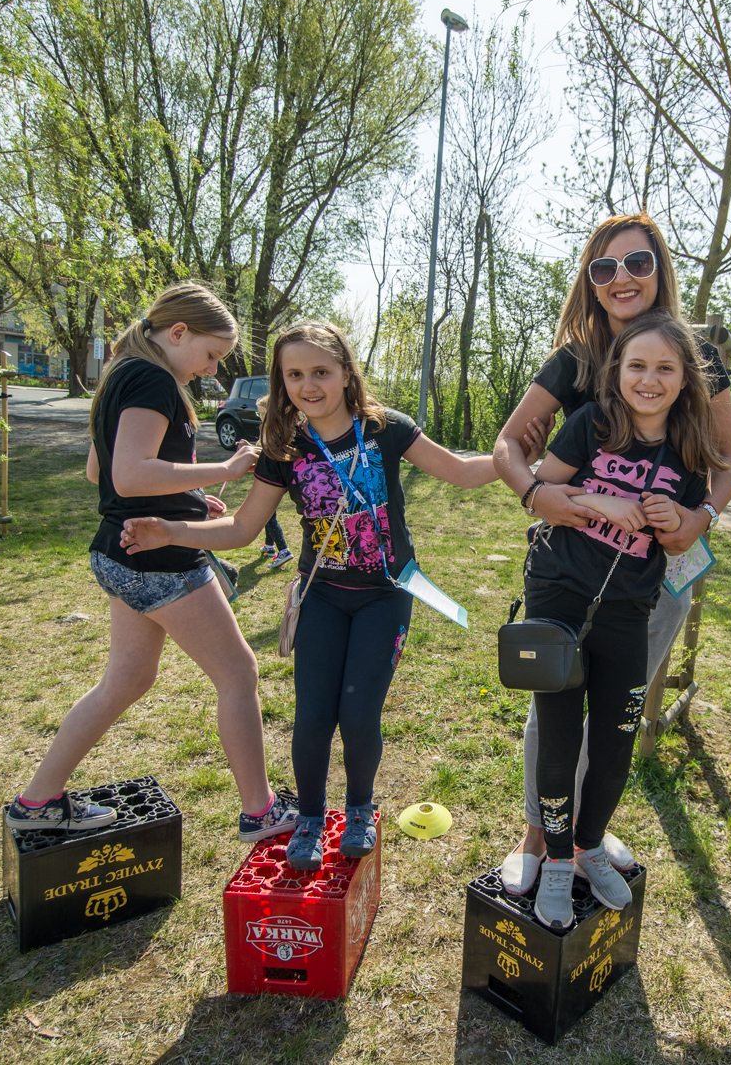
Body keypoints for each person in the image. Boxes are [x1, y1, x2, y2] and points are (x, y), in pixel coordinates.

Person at [119, 320, 502, 872]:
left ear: (347, 372)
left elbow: (462, 472)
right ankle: (312, 818)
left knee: (359, 712)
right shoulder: (284, 446)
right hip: (322, 596)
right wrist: (172, 531)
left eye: (321, 371)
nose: (308, 385)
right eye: (294, 374)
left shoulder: (386, 428)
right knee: (313, 715)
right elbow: (243, 528)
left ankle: (361, 808)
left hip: (385, 596)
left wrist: (526, 469)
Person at [492, 212, 731, 895]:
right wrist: (533, 497)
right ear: (590, 282)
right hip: (570, 570)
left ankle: (587, 835)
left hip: (654, 577)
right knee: (557, 705)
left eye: (637, 263)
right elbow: (510, 447)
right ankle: (537, 836)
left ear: (661, 268)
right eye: (604, 267)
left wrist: (702, 518)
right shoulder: (576, 360)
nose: (621, 278)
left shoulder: (698, 359)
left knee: (614, 715)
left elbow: (726, 462)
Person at [7, 282, 296, 845]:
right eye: (211, 354)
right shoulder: (152, 378)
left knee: (126, 681)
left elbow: (102, 471)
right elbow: (129, 475)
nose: (211, 369)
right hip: (157, 559)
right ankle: (260, 813)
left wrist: (185, 500)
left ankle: (36, 801)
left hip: (122, 551)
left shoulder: (123, 373)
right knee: (238, 674)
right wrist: (224, 471)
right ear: (179, 332)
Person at [521, 308, 726, 928]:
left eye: (666, 368)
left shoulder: (692, 450)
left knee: (612, 746)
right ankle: (555, 860)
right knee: (558, 736)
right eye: (637, 365)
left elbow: (682, 539)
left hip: (629, 612)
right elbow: (546, 488)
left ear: (686, 378)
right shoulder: (591, 423)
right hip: (559, 597)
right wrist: (603, 500)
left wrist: (678, 523)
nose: (649, 379)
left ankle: (588, 847)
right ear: (617, 372)